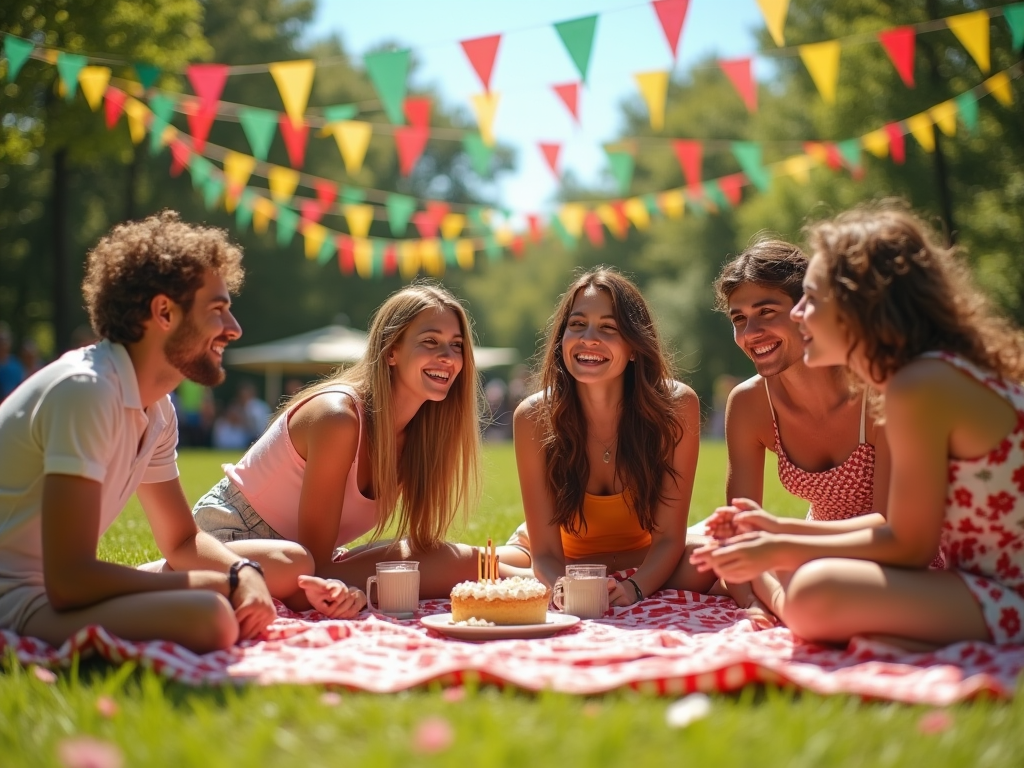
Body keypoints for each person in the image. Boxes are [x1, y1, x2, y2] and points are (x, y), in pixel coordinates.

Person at [692, 205, 1024, 649]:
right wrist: (773, 533)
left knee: (814, 591)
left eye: (810, 299)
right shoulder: (927, 373)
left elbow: (911, 546)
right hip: (980, 584)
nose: (799, 314)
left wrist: (777, 545)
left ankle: (811, 609)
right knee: (782, 570)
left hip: (1006, 595)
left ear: (859, 302)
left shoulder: (917, 384)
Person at [0, 211, 283, 654]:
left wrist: (241, 573)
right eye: (217, 309)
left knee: (281, 562)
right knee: (210, 615)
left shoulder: (157, 409)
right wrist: (218, 583)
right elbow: (70, 580)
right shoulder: (87, 390)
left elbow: (182, 540)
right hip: (16, 600)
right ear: (164, 311)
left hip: (55, 588)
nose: (234, 329)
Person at [190, 284, 484, 600]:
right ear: (391, 351)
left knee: (448, 558)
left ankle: (531, 568)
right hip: (231, 540)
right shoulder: (338, 417)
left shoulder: (419, 438)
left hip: (308, 559)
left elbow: (320, 562)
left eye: (456, 345)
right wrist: (337, 583)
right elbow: (312, 571)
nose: (447, 357)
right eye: (430, 341)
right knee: (439, 565)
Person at [709, 239, 893, 618]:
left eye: (766, 311)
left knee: (811, 586)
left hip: (886, 555)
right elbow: (741, 532)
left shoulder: (877, 391)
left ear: (806, 310)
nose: (750, 333)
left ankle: (790, 602)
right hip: (803, 552)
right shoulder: (748, 404)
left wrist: (777, 539)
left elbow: (894, 527)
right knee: (696, 547)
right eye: (739, 319)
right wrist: (748, 604)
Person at [508, 268, 713, 607]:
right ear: (562, 341)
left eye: (608, 327)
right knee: (476, 568)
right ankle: (512, 567)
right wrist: (568, 590)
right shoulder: (532, 417)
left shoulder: (676, 406)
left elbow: (669, 539)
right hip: (562, 564)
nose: (589, 337)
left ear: (635, 346)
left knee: (707, 560)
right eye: (577, 325)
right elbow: (545, 552)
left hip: (646, 560)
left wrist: (634, 588)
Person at [0, 322, 25, 401]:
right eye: (1, 341)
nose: (3, 344)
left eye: (6, 341)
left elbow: (21, 386)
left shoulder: (16, 365)